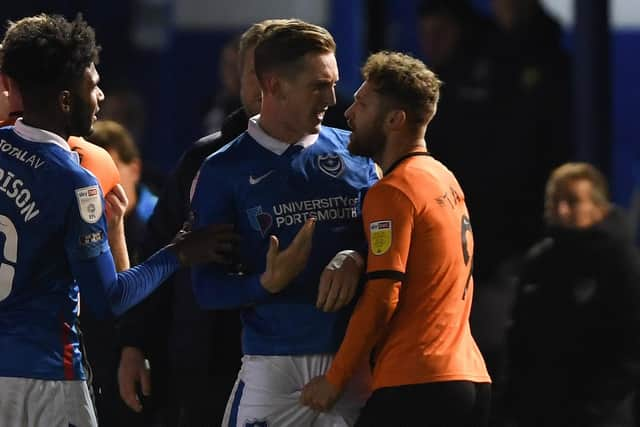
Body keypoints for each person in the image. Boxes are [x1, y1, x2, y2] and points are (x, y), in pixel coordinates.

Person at [0, 14, 240, 426]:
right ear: (64, 100)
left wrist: (111, 232)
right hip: (45, 377)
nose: (101, 96)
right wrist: (178, 253)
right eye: (93, 85)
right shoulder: (76, 180)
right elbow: (109, 299)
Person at [190, 20, 378, 426]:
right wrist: (264, 284)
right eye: (318, 86)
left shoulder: (357, 153)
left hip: (353, 366)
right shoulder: (222, 171)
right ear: (273, 86)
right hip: (272, 369)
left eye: (333, 83)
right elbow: (205, 288)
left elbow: (396, 245)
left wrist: (357, 257)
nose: (333, 98)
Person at [300, 51, 492, 427]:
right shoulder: (443, 178)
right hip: (469, 377)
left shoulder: (393, 191)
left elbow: (383, 295)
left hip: (417, 384)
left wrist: (334, 379)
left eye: (363, 103)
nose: (350, 113)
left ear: (394, 119)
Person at [115, 19, 282, 426]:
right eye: (251, 75)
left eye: (271, 76)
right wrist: (135, 344)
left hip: (287, 360)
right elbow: (158, 248)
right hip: (205, 359)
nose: (260, 89)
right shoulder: (201, 160)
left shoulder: (325, 162)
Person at [507, 162, 640, 427]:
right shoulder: (539, 262)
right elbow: (518, 337)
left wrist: (598, 404)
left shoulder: (620, 262)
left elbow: (631, 344)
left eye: (572, 201)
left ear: (599, 207)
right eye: (554, 201)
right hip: (540, 412)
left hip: (602, 415)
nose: (561, 210)